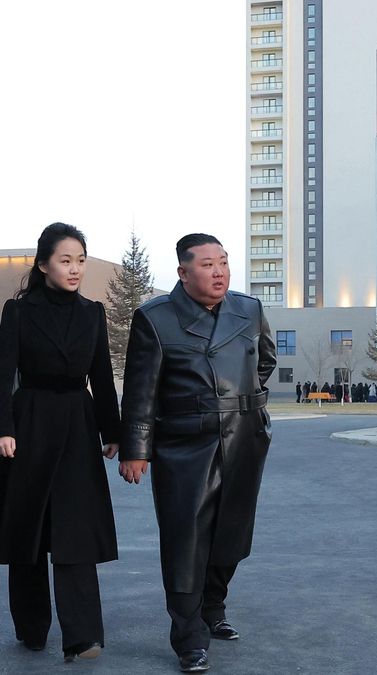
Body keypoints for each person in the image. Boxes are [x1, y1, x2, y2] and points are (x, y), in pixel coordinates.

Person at [119, 233, 276, 673]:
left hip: (243, 436)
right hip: (184, 443)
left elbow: (264, 363)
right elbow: (140, 391)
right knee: (185, 538)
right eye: (207, 264)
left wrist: (244, 404)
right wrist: (136, 448)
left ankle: (214, 607)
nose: (219, 271)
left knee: (233, 532)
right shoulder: (156, 318)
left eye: (223, 262)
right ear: (183, 273)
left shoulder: (249, 309)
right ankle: (189, 637)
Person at [0, 222, 120, 663]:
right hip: (29, 423)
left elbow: (102, 378)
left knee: (76, 530)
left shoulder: (93, 312)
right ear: (43, 264)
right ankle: (32, 626)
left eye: (80, 261)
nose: (75, 269)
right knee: (28, 531)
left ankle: (84, 636)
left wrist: (111, 432)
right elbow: (2, 376)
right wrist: (2, 429)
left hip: (77, 423)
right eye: (65, 260)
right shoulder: (19, 311)